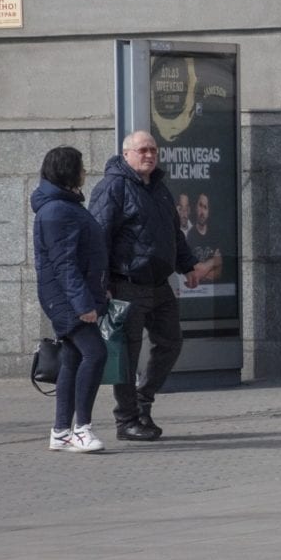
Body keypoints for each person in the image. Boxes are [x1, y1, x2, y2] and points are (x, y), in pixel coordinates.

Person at [89, 130, 210, 441]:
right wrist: (100, 285)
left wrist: (189, 267)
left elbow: (173, 234)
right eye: (142, 150)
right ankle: (126, 420)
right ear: (126, 154)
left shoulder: (159, 189)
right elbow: (97, 239)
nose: (149, 155)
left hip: (159, 285)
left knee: (171, 343)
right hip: (127, 284)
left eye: (153, 150)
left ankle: (143, 401)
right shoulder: (113, 187)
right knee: (127, 355)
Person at [31, 146, 109, 453]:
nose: (85, 172)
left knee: (74, 358)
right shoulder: (57, 211)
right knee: (96, 354)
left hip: (73, 296)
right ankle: (81, 429)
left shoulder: (65, 206)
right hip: (66, 300)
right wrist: (83, 305)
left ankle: (62, 431)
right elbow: (64, 264)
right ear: (68, 172)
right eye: (81, 167)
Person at [184, 192, 223, 281]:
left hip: (211, 290)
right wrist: (212, 262)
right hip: (193, 291)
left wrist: (198, 271)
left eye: (205, 207)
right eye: (200, 206)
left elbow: (218, 273)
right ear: (195, 208)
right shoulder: (188, 236)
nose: (202, 212)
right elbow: (189, 272)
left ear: (208, 212)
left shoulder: (215, 237)